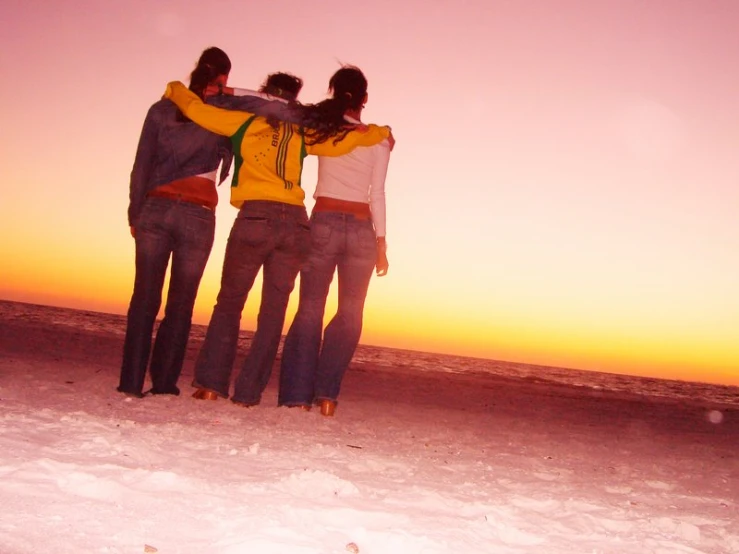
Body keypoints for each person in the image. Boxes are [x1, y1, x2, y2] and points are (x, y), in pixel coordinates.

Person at [163, 73, 392, 407]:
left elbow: (198, 111)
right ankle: (260, 393)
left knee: (234, 302)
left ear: (263, 94)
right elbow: (355, 161)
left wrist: (178, 89)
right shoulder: (308, 132)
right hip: (308, 224)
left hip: (267, 217)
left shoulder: (258, 122)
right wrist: (379, 132)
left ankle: (219, 386)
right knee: (285, 312)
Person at [118, 47, 235, 398]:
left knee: (144, 298)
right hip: (198, 214)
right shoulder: (224, 113)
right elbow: (264, 103)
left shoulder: (162, 108)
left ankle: (130, 382)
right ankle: (165, 382)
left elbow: (142, 165)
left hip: (156, 207)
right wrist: (228, 94)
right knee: (181, 304)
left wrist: (134, 211)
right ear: (224, 77)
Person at [278, 66, 392, 416]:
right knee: (350, 314)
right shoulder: (379, 138)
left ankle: (297, 396)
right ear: (365, 99)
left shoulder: (322, 129)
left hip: (324, 221)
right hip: (361, 229)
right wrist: (382, 243)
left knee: (311, 306)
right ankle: (326, 395)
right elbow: (378, 194)